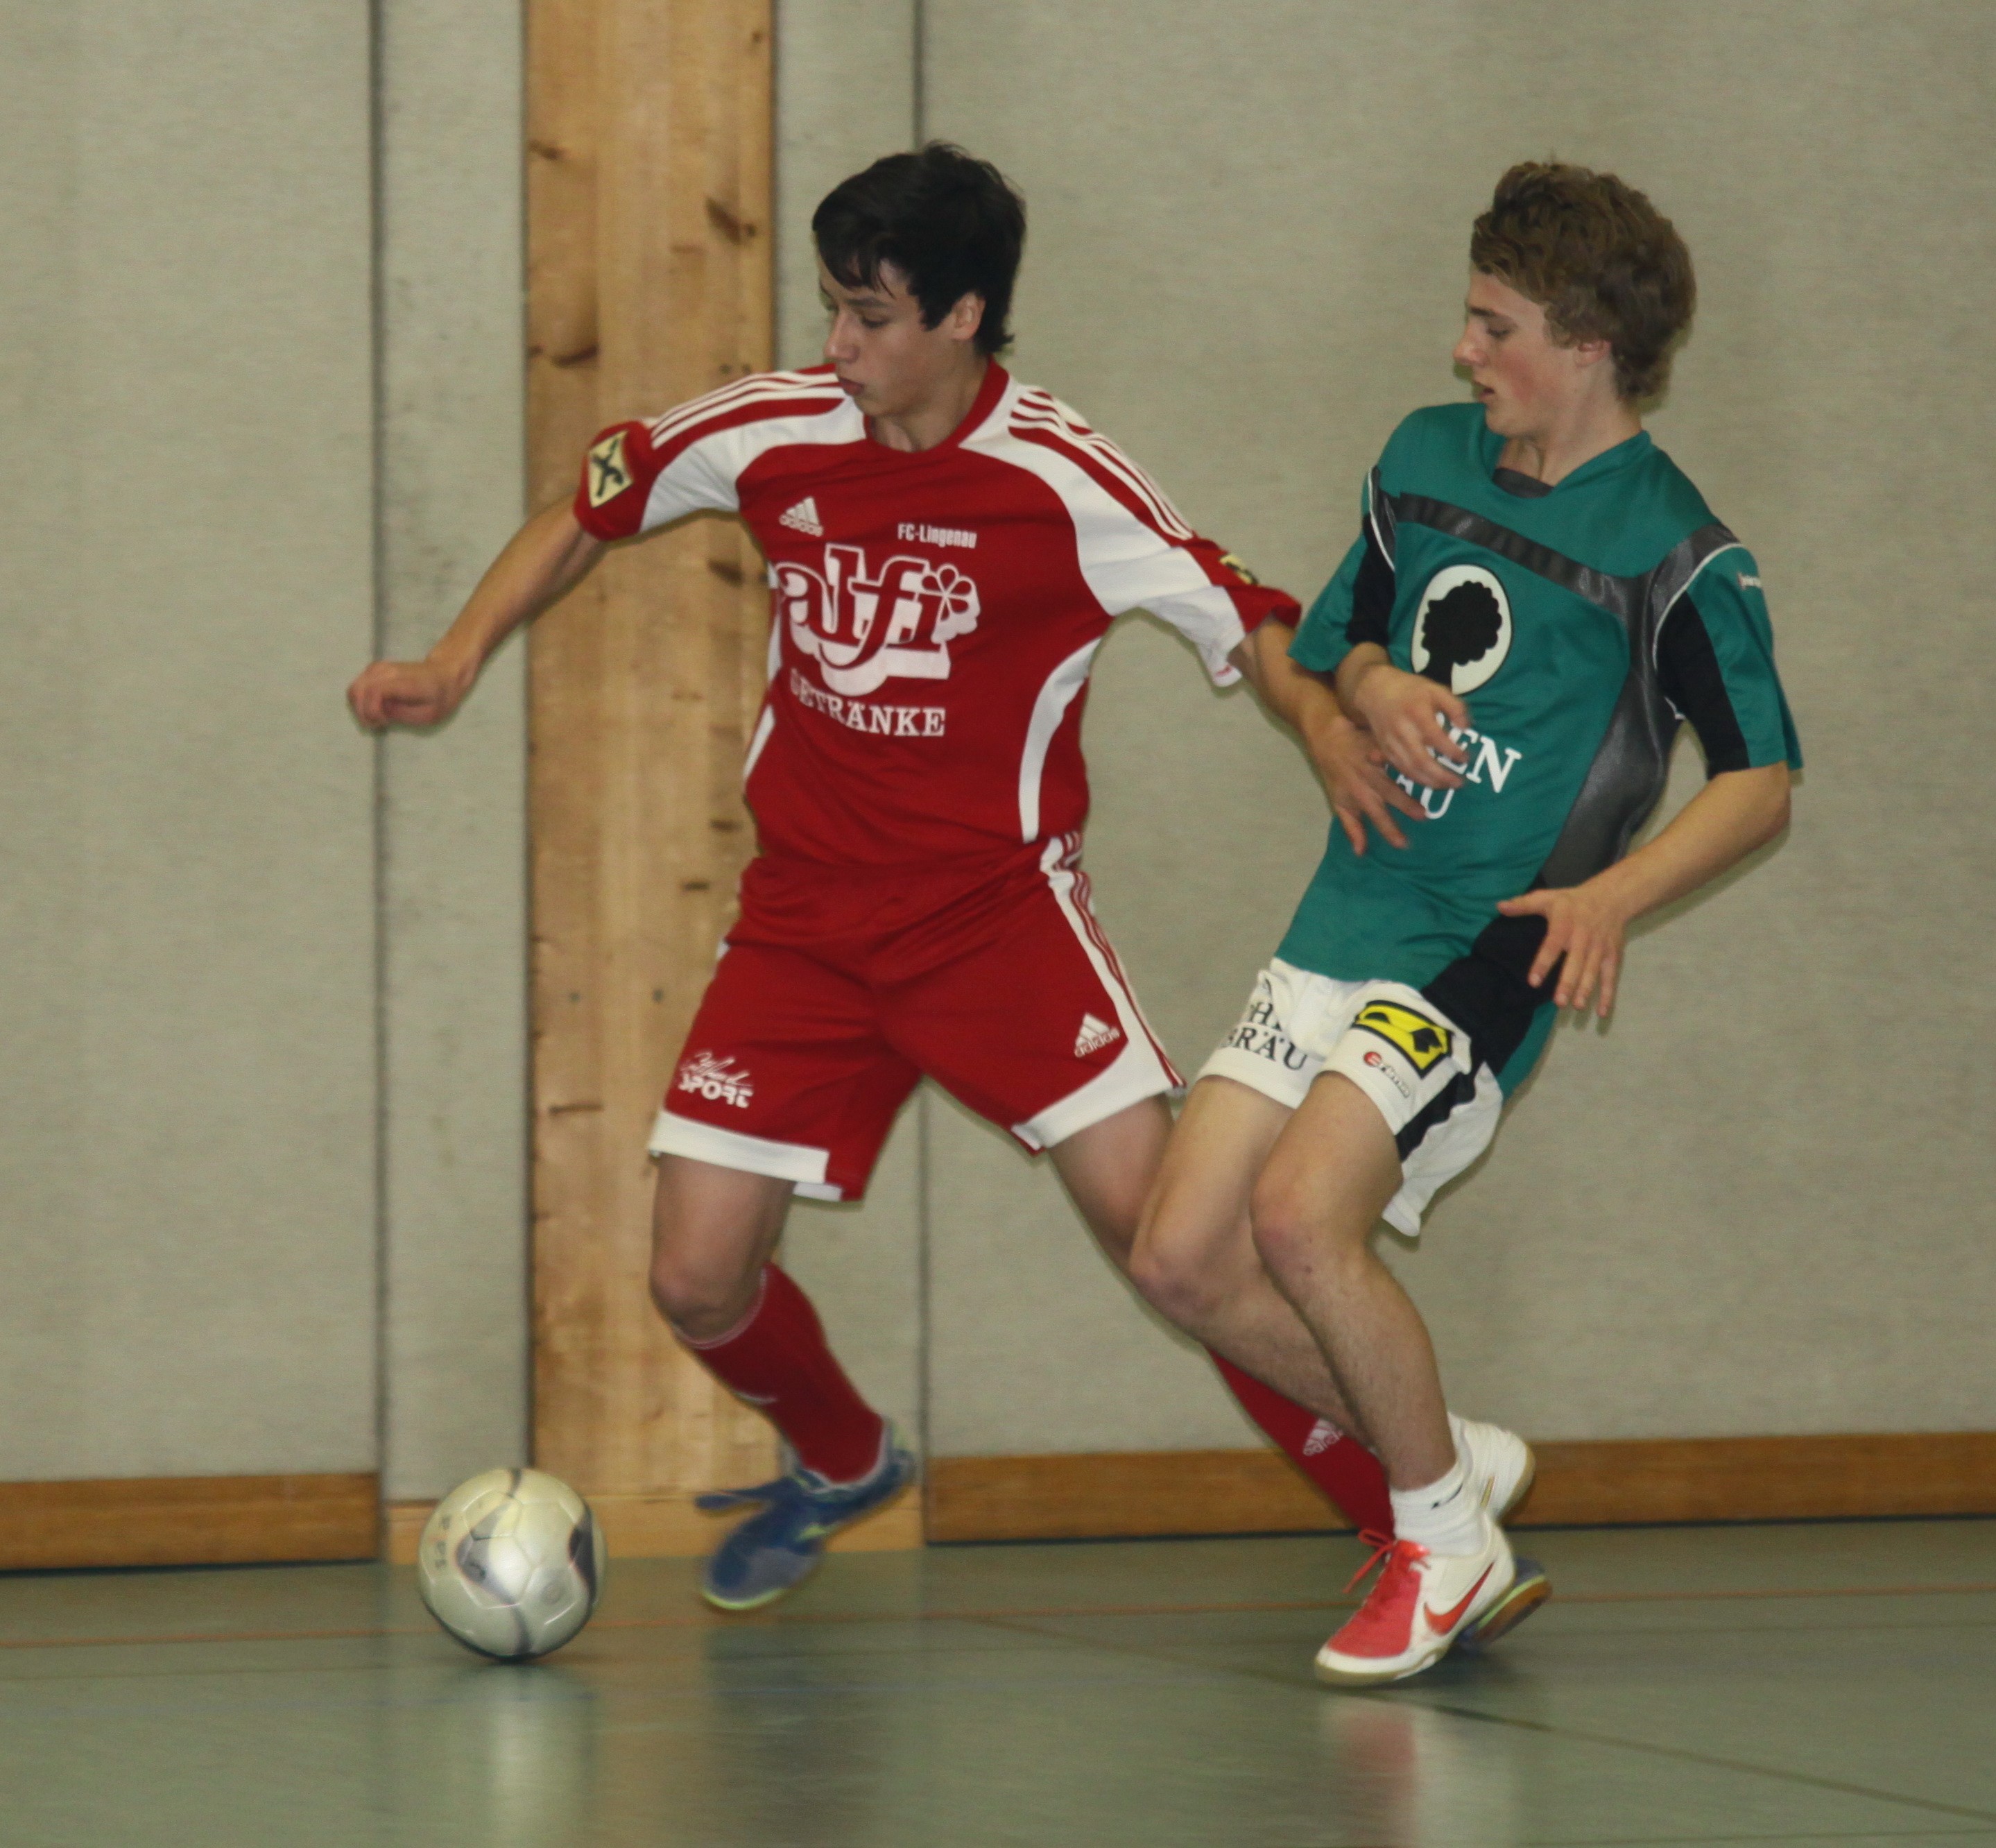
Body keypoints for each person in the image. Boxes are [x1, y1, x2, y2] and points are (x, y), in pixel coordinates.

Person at [348, 144, 1535, 1619]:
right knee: (695, 1281)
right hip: (804, 925)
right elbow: (592, 501)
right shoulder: (773, 429)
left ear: (963, 316)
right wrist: (454, 657)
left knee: (1177, 1253)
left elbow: (1247, 619)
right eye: (832, 308)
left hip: (996, 925)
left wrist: (1323, 727)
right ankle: (845, 1462)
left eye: (871, 316)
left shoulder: (1060, 476)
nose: (838, 345)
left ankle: (1421, 1525)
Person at [1132, 160, 1802, 1686]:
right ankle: (1448, 1458)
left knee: (1300, 1219)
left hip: (1487, 944)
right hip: (1348, 905)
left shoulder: (1676, 553)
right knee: (1178, 1257)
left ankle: (1440, 1541)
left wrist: (1611, 896)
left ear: (1587, 344)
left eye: (1493, 326)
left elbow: (1761, 781)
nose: (1461, 350)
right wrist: (1367, 686)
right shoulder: (1422, 455)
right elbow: (1338, 636)